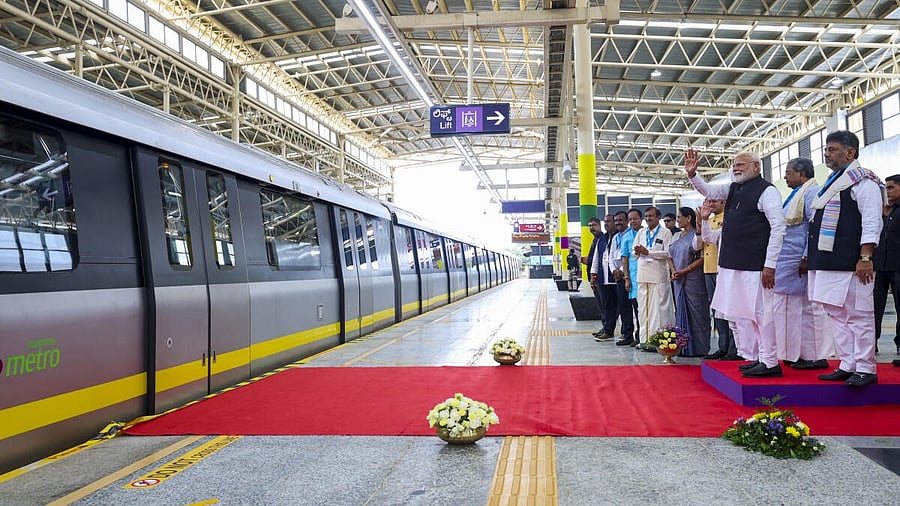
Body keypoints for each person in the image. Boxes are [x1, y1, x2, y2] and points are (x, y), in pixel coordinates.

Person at [684, 148, 786, 378]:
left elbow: (778, 228)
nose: (736, 168)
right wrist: (693, 175)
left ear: (756, 167)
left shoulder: (767, 191)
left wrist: (770, 264)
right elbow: (708, 190)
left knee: (762, 314)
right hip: (732, 265)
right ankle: (760, 357)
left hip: (756, 265)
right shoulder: (733, 189)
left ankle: (771, 362)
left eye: (741, 164)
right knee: (745, 315)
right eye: (734, 165)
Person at [808, 130, 885, 387]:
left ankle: (866, 367)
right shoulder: (832, 182)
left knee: (859, 315)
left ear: (850, 152)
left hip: (852, 262)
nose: (826, 154)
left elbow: (872, 221)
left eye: (832, 149)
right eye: (826, 149)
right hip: (829, 262)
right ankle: (848, 362)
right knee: (836, 314)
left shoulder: (864, 182)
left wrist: (866, 256)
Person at [772, 158, 829, 370]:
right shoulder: (795, 194)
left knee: (807, 309)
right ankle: (794, 353)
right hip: (787, 261)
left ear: (802, 174)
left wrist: (806, 257)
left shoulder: (811, 192)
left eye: (788, 172)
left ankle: (815, 355)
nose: (785, 176)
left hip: (798, 260)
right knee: (790, 309)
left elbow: (815, 227)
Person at [694, 198, 739, 360]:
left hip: (726, 269)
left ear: (724, 202)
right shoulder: (709, 221)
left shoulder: (731, 218)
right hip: (709, 269)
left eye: (714, 201)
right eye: (708, 202)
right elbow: (699, 244)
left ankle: (735, 348)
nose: (711, 205)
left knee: (731, 310)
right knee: (717, 311)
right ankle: (723, 346)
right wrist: (700, 225)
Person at [667, 207, 710, 356]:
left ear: (689, 218)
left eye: (679, 217)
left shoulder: (697, 235)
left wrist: (684, 271)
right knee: (681, 311)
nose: (677, 220)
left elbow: (702, 257)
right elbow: (669, 255)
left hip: (693, 279)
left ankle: (699, 348)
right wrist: (673, 271)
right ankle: (683, 347)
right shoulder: (676, 236)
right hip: (677, 279)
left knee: (697, 313)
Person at [633, 206, 674, 351]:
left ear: (658, 217)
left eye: (651, 216)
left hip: (659, 275)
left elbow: (668, 252)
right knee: (643, 309)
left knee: (659, 309)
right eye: (646, 216)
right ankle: (644, 340)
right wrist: (638, 251)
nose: (648, 218)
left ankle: (660, 340)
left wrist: (648, 252)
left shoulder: (666, 232)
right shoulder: (641, 232)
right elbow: (634, 251)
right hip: (642, 274)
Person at [873, 174, 900, 356]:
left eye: (891, 188)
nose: (887, 192)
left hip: (898, 266)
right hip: (878, 267)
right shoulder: (877, 212)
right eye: (886, 188)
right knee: (873, 308)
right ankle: (870, 342)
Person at [608, 211, 637, 345]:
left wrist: (621, 271)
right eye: (616, 220)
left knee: (637, 307)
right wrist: (614, 270)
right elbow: (611, 256)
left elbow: (630, 257)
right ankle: (627, 334)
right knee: (624, 307)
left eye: (621, 220)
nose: (618, 222)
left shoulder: (634, 235)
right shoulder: (615, 238)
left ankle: (640, 335)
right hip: (619, 277)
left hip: (632, 275)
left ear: (627, 221)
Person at [590, 214, 618, 341]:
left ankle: (625, 333)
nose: (607, 224)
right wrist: (593, 275)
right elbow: (596, 258)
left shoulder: (618, 237)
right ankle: (607, 330)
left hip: (616, 278)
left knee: (620, 306)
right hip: (603, 278)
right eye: (605, 221)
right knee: (606, 305)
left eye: (609, 221)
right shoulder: (602, 239)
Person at [618, 208, 642, 346]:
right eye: (631, 219)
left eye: (635, 218)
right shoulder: (626, 237)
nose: (633, 221)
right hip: (633, 277)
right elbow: (625, 259)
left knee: (647, 308)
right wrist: (626, 278)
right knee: (636, 307)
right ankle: (638, 336)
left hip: (649, 275)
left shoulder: (645, 233)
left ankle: (646, 335)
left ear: (641, 219)